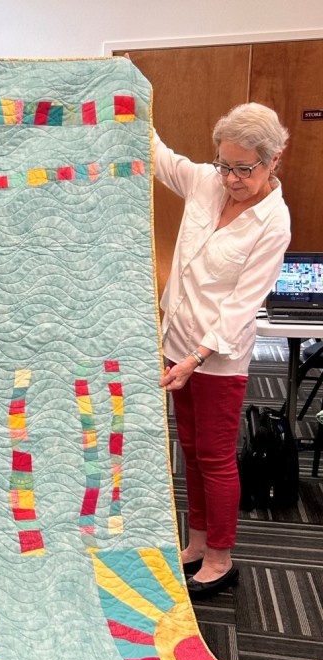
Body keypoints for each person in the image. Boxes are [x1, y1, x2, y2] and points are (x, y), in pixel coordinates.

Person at [155, 103, 291, 598]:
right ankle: (196, 543)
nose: (231, 179)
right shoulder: (205, 182)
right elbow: (157, 155)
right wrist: (122, 90)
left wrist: (195, 359)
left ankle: (220, 558)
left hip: (217, 357)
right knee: (189, 451)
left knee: (214, 457)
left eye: (244, 169)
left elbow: (241, 306)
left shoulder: (274, 223)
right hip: (177, 344)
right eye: (224, 165)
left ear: (273, 160)